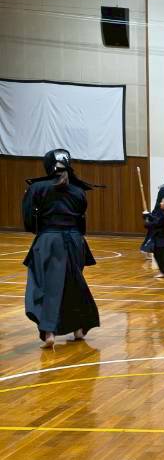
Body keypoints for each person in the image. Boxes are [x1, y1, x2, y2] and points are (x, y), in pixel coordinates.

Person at [22, 148, 100, 347]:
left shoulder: (37, 188)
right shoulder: (78, 191)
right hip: (75, 241)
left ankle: (49, 331)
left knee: (45, 286)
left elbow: (29, 222)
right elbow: (81, 221)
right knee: (74, 283)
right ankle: (78, 328)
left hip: (49, 240)